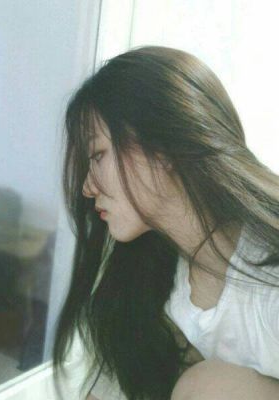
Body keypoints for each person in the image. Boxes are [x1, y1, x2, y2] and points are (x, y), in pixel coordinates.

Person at [52, 45, 279, 400]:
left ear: (164, 148)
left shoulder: (267, 279)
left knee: (206, 387)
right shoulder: (155, 279)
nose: (86, 187)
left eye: (97, 155)